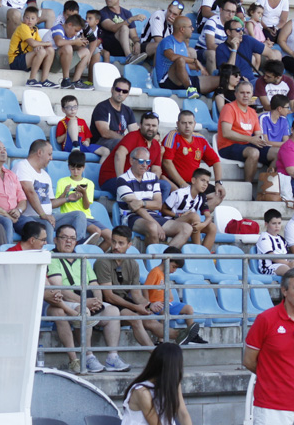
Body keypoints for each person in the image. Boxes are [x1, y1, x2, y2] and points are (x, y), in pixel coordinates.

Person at [243, 267, 294, 424]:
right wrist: (272, 375)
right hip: (270, 407)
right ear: (284, 291)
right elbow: (248, 361)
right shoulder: (265, 319)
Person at [45, 223, 130, 374]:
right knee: (84, 311)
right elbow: (61, 290)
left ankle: (112, 357)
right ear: (55, 240)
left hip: (86, 300)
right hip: (66, 302)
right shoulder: (52, 258)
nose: (69, 241)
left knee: (113, 311)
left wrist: (97, 302)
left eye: (72, 238)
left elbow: (94, 284)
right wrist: (85, 302)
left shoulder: (81, 258)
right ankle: (88, 356)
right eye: (64, 238)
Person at [98, 226, 176, 347]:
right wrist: (136, 307)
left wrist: (148, 305)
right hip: (107, 305)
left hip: (124, 303)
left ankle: (180, 334)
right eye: (113, 242)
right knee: (136, 318)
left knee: (150, 320)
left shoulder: (133, 264)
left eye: (120, 243)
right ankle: (154, 354)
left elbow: (136, 294)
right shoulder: (102, 262)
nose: (116, 247)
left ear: (129, 245)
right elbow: (109, 297)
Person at [14, 139, 87, 241]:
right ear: (39, 152)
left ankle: (76, 248)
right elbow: (29, 192)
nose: (51, 158)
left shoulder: (46, 175)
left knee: (78, 216)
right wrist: (43, 215)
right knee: (46, 224)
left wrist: (68, 199)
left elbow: (50, 203)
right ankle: (51, 255)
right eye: (49, 154)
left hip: (47, 217)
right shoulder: (22, 166)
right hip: (28, 218)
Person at [100, 111, 165, 195]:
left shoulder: (156, 145)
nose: (151, 128)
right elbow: (120, 154)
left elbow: (156, 169)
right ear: (140, 125)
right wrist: (122, 181)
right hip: (112, 178)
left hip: (138, 180)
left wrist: (151, 183)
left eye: (154, 126)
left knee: (165, 186)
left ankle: (152, 207)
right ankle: (145, 207)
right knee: (136, 190)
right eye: (147, 125)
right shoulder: (133, 136)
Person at [217, 80, 269, 184]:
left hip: (247, 144)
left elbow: (258, 133)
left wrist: (261, 141)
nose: (245, 96)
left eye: (248, 93)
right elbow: (227, 133)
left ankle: (266, 186)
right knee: (254, 152)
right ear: (236, 94)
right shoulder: (229, 108)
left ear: (252, 95)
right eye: (242, 93)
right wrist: (251, 139)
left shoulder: (252, 112)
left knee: (277, 153)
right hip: (227, 146)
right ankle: (247, 186)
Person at [162, 109, 224, 194]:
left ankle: (201, 206)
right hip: (175, 182)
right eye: (183, 123)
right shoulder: (172, 136)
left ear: (194, 124)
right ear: (177, 124)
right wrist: (182, 183)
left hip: (193, 184)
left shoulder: (201, 139)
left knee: (218, 194)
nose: (187, 126)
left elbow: (216, 161)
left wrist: (218, 182)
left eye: (190, 123)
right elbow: (166, 162)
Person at [156, 16, 214, 100]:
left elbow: (183, 66)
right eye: (190, 27)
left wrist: (200, 68)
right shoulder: (167, 41)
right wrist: (194, 60)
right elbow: (173, 57)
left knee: (220, 80)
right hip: (167, 80)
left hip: (184, 79)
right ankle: (190, 88)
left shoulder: (182, 44)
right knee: (180, 60)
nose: (193, 29)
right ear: (182, 29)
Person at [163, 168, 219, 250]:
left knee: (212, 227)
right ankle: (198, 251)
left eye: (207, 182)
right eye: (202, 180)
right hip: (172, 222)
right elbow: (163, 209)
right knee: (194, 216)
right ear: (193, 180)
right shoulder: (179, 193)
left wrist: (202, 225)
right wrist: (179, 215)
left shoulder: (202, 196)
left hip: (190, 224)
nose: (205, 184)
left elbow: (208, 216)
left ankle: (204, 256)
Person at [8, 5, 56, 88]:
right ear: (23, 18)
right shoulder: (23, 27)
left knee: (50, 50)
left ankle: (44, 80)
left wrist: (41, 45)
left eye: (33, 18)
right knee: (42, 51)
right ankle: (31, 79)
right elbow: (33, 43)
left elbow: (39, 42)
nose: (29, 20)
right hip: (15, 61)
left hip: (26, 59)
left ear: (37, 20)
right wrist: (44, 44)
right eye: (27, 17)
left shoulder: (34, 29)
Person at [99, 0, 147, 64]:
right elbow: (113, 28)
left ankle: (132, 56)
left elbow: (134, 36)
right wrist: (131, 19)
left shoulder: (127, 13)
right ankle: (129, 57)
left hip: (125, 46)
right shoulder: (102, 12)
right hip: (110, 47)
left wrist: (137, 43)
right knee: (124, 28)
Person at [51, 13, 99, 89]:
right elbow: (59, 42)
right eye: (75, 31)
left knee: (86, 51)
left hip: (62, 63)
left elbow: (93, 41)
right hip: (51, 63)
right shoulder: (58, 28)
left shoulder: (71, 35)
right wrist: (75, 42)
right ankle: (66, 80)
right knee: (68, 48)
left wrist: (79, 45)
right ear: (69, 25)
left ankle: (76, 81)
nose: (76, 33)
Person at [217, 13, 265, 85]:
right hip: (235, 84)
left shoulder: (247, 39)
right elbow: (227, 73)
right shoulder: (221, 48)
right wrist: (234, 49)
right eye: (238, 30)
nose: (241, 32)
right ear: (228, 32)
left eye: (242, 29)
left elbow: (270, 53)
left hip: (251, 81)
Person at [91, 78, 137, 151]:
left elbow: (135, 132)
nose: (120, 93)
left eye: (124, 91)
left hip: (119, 141)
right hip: (100, 143)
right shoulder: (102, 107)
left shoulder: (128, 110)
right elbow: (105, 133)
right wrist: (126, 139)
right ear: (112, 89)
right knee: (122, 144)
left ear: (127, 94)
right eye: (118, 89)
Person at [255, 209, 294, 277]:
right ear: (266, 224)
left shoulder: (281, 239)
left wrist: (293, 262)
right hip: (268, 268)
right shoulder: (264, 238)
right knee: (287, 270)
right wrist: (288, 264)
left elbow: (287, 255)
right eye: (274, 223)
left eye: (279, 223)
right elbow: (272, 257)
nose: (277, 226)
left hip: (285, 264)